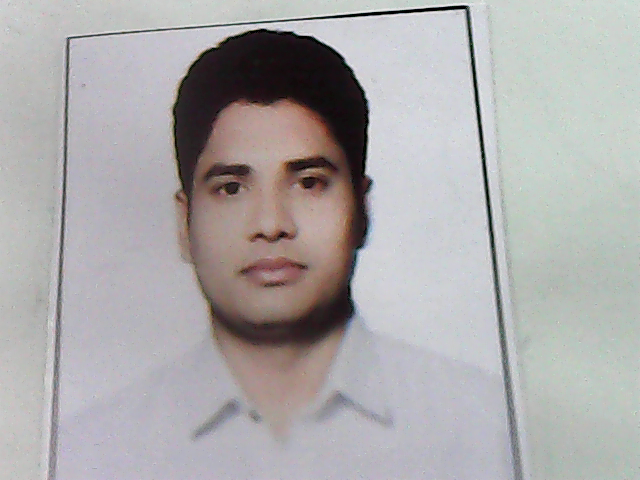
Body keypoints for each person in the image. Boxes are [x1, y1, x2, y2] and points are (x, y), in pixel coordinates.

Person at [56, 29, 514, 480]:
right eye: (231, 188)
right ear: (184, 223)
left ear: (362, 209)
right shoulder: (89, 452)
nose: (271, 224)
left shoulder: (487, 424)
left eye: (309, 182)